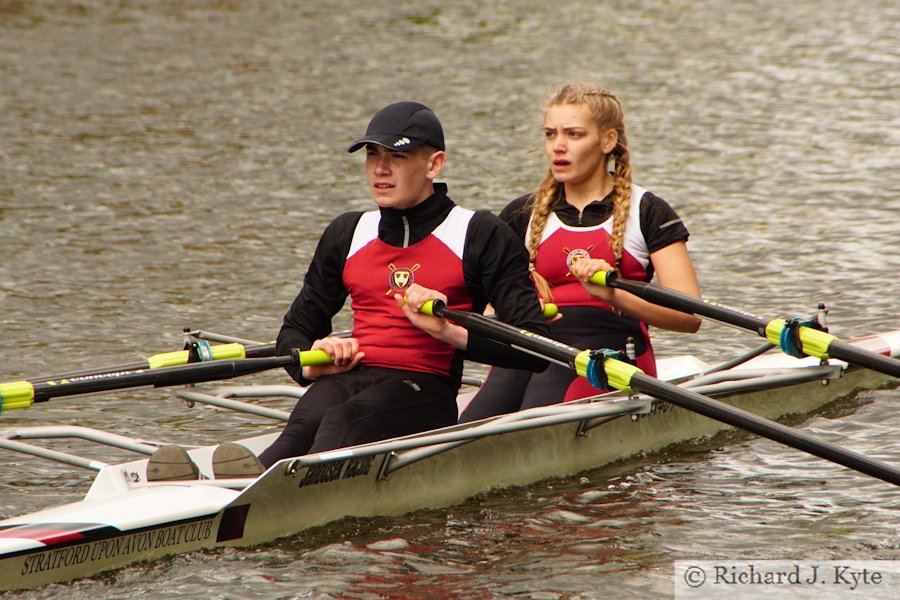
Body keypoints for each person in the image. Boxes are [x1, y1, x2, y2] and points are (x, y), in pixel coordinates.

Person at [147, 101, 549, 481]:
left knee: (340, 421)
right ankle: (215, 488)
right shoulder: (349, 232)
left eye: (397, 156)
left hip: (423, 389)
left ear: (434, 164)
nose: (381, 169)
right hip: (354, 376)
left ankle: (272, 495)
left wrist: (444, 330)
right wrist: (312, 364)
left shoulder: (477, 233)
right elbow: (295, 331)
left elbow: (534, 344)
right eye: (373, 155)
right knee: (302, 424)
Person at [459, 83, 701, 423]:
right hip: (533, 348)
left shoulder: (646, 212)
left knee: (532, 417)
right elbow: (484, 308)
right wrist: (516, 305)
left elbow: (690, 317)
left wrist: (614, 295)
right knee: (470, 423)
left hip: (611, 357)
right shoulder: (521, 215)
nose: (558, 146)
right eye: (550, 134)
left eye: (573, 134)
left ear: (607, 141)